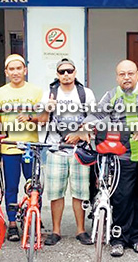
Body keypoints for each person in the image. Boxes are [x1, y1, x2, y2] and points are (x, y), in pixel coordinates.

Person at [83, 60, 138, 257]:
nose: (126, 77)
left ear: (137, 74)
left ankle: (137, 239)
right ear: (117, 77)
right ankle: (118, 239)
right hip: (121, 156)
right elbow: (95, 114)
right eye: (122, 74)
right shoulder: (111, 95)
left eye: (130, 73)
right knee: (121, 198)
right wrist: (86, 127)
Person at [38, 59, 96, 246]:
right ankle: (56, 231)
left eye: (69, 71)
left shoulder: (85, 93)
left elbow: (93, 117)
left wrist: (80, 133)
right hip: (55, 149)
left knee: (80, 192)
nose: (65, 75)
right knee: (56, 193)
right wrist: (48, 107)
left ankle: (81, 230)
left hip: (79, 151)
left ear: (75, 72)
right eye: (62, 72)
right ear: (57, 74)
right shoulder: (49, 94)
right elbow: (41, 121)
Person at [0, 54, 43, 241]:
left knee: (34, 186)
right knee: (11, 187)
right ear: (6, 72)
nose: (15, 72)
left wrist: (30, 117)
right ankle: (12, 223)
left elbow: (44, 119)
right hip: (9, 147)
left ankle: (35, 219)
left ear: (25, 70)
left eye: (18, 68)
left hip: (32, 146)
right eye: (11, 69)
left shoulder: (36, 91)